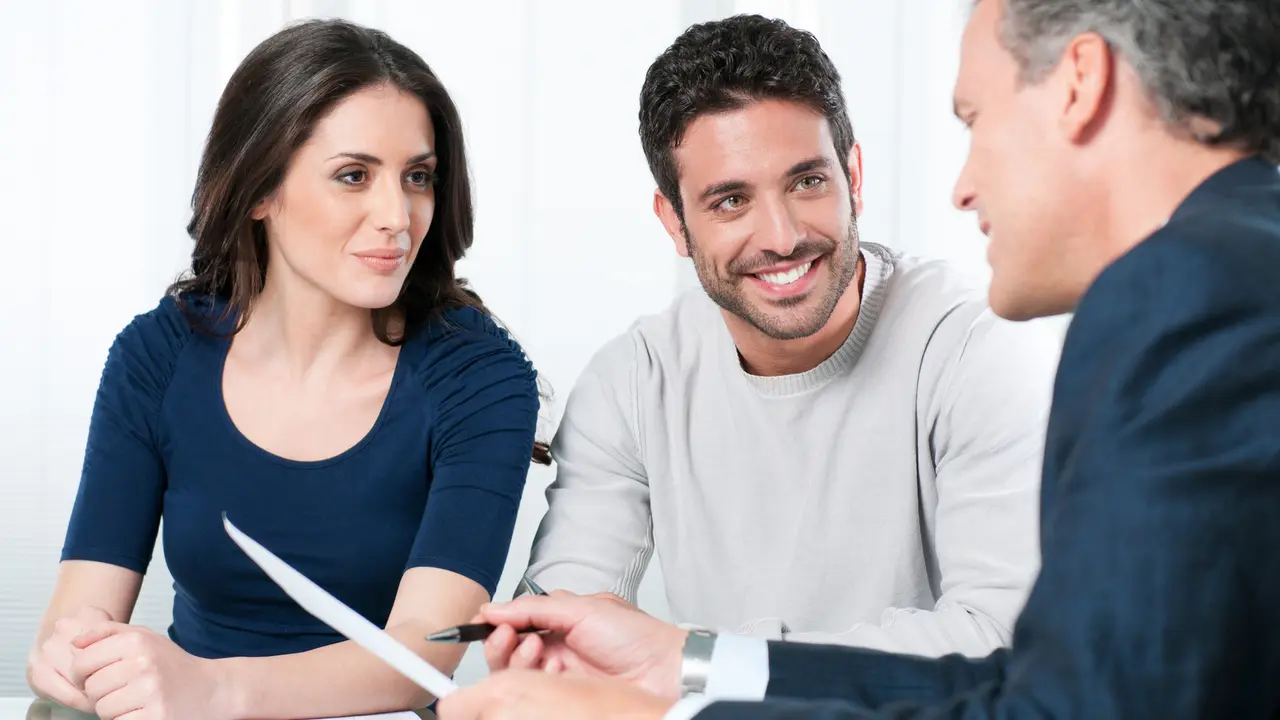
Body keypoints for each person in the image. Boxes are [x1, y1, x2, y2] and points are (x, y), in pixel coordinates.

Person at [435, 0, 1280, 717]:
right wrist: (683, 663)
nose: (962, 186)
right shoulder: (1222, 271)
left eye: (975, 120)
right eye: (729, 199)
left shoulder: (1179, 296)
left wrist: (671, 702)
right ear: (675, 221)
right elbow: (1065, 685)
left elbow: (1052, 691)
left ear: (1080, 82)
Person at [25, 18, 548, 720]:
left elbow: (420, 656)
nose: (397, 215)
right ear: (259, 191)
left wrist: (215, 689)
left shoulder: (480, 377)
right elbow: (77, 614)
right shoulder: (157, 355)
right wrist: (67, 656)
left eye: (417, 177)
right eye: (354, 176)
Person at [520, 13, 1059, 658]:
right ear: (675, 223)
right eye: (730, 201)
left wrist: (700, 664)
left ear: (853, 178)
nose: (781, 237)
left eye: (807, 182)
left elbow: (1002, 635)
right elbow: (559, 633)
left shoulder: (977, 348)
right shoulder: (633, 382)